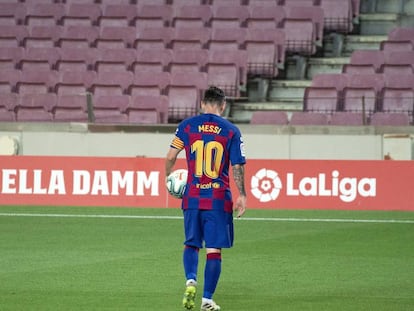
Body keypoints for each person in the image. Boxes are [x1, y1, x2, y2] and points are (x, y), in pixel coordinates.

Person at [165, 86, 247, 311]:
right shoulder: (231, 131)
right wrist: (242, 194)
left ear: (202, 104)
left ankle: (191, 279)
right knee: (213, 249)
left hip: (192, 196)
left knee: (191, 243)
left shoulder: (187, 127)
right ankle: (207, 299)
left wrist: (168, 176)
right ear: (223, 105)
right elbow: (237, 165)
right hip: (218, 198)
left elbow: (171, 156)